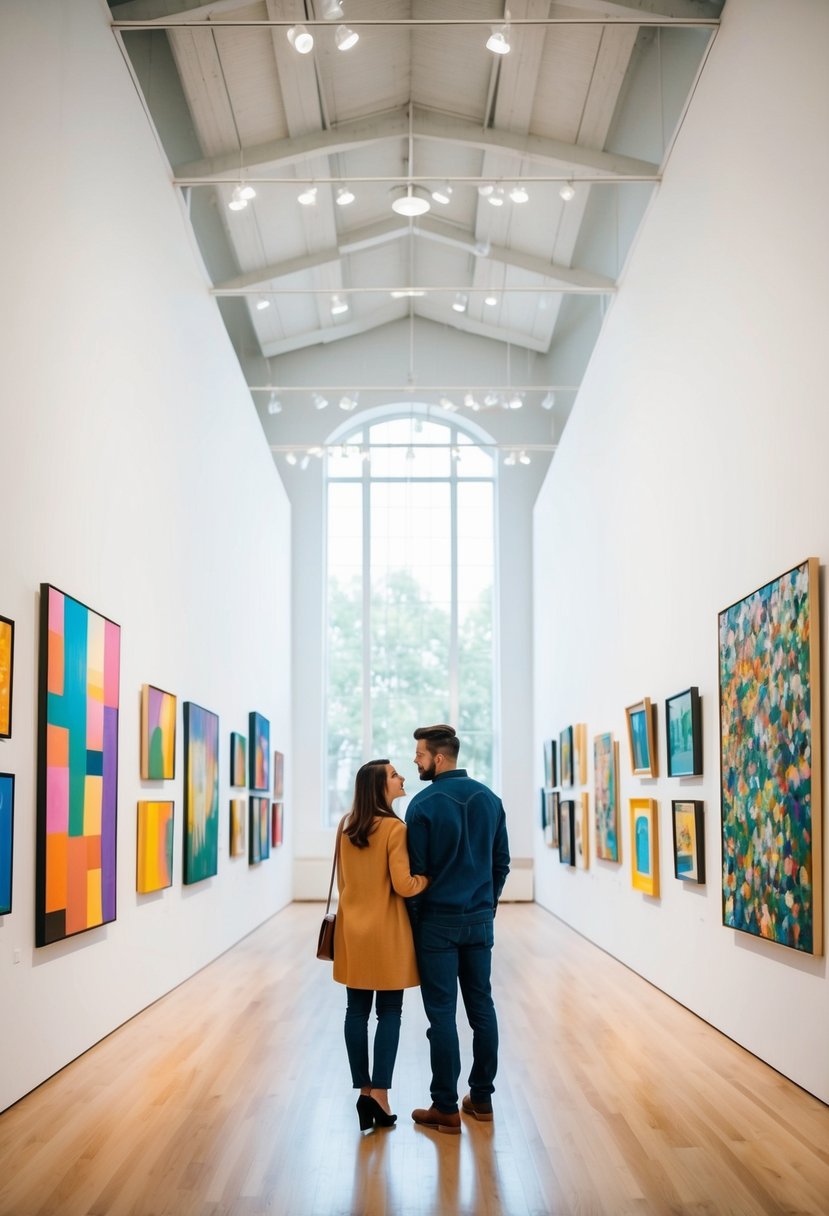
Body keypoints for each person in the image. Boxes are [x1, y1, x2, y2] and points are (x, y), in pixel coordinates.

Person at [405, 724, 510, 1134]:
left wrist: (416, 923)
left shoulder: (423, 805)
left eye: (420, 754)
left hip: (437, 925)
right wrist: (488, 905)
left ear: (440, 757)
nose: (415, 760)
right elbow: (500, 863)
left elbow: (416, 874)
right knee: (482, 1007)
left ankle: (445, 1107)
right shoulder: (490, 799)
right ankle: (481, 1098)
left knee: (442, 1015)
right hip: (479, 920)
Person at [332, 758, 429, 1131]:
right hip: (387, 933)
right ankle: (381, 1095)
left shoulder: (345, 825)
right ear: (378, 786)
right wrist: (427, 880)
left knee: (355, 1012)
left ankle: (363, 1090)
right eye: (393, 775)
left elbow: (344, 883)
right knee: (389, 1012)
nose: (401, 776)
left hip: (352, 931)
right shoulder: (394, 828)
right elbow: (404, 886)